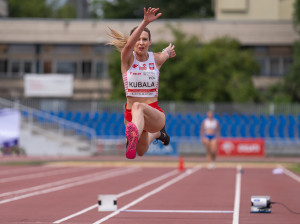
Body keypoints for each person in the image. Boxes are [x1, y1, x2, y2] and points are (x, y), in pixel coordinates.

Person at [107, 7, 176, 159]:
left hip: (153, 113)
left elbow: (166, 53)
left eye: (145, 39)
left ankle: (135, 135)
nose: (141, 42)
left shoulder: (155, 59)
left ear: (150, 42)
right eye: (138, 39)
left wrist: (168, 51)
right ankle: (158, 134)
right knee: (140, 151)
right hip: (131, 116)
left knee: (139, 105)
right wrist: (144, 22)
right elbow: (127, 46)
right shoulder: (127, 59)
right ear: (133, 41)